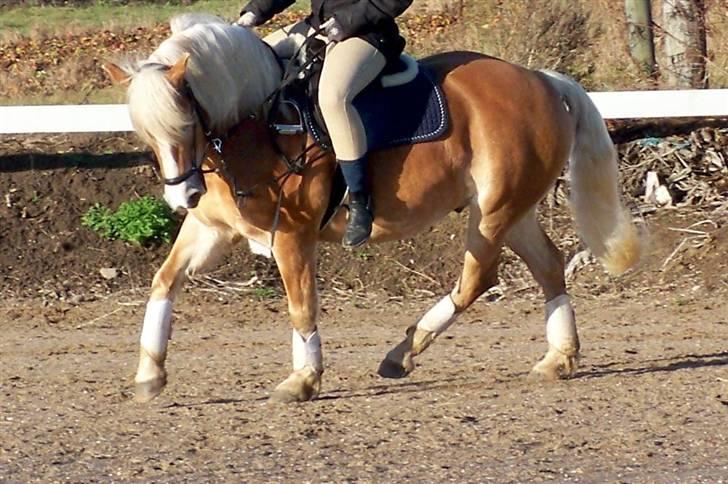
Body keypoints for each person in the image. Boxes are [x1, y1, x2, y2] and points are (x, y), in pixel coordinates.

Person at [237, 0, 413, 248]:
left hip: (366, 33)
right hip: (319, 27)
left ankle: (360, 199)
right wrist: (254, 12)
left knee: (333, 96)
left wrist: (347, 22)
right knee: (252, 60)